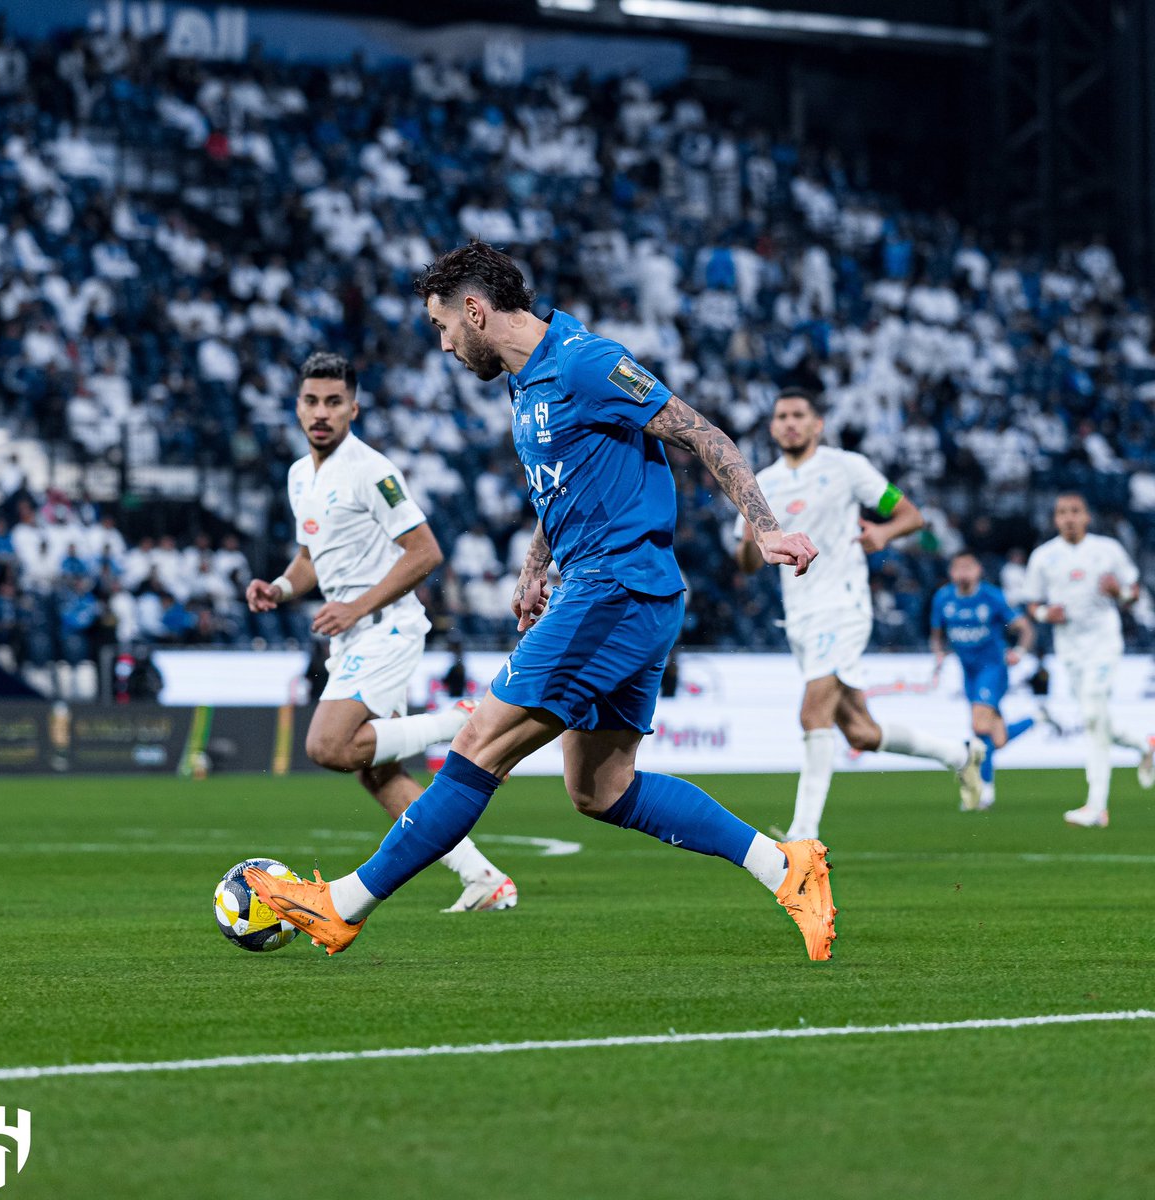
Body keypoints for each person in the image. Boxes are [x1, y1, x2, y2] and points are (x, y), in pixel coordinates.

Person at [247, 241, 836, 962]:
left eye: (442, 326)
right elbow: (561, 485)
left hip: (615, 589)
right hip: (617, 593)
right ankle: (787, 868)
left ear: (474, 311)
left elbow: (701, 433)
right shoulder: (523, 384)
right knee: (601, 788)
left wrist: (766, 528)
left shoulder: (586, 362)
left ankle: (342, 905)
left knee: (477, 745)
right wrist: (535, 567)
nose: (443, 345)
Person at [246, 351, 516, 912]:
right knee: (377, 774)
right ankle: (484, 878)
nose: (321, 412)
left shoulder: (372, 470)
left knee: (327, 745)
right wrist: (281, 587)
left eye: (334, 402)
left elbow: (426, 552)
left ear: (354, 408)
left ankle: (459, 721)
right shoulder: (299, 476)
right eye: (312, 401)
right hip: (352, 633)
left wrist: (355, 607)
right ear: (297, 407)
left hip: (386, 626)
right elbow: (310, 558)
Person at [733, 388, 985, 841]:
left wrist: (884, 534)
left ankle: (802, 836)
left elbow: (911, 516)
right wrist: (754, 541)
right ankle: (960, 755)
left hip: (843, 606)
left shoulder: (847, 467)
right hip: (799, 617)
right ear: (772, 427)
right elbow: (747, 562)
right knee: (861, 733)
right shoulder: (760, 484)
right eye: (782, 416)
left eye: (798, 414)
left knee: (813, 712)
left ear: (817, 424)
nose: (789, 423)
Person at [1022, 493, 1154, 827]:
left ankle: (1097, 807)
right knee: (1094, 717)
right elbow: (1032, 604)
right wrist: (1044, 614)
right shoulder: (1043, 556)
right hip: (1069, 649)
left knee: (1094, 713)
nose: (1069, 518)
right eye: (1062, 512)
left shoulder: (1107, 549)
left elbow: (1133, 592)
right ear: (1055, 519)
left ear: (1086, 517)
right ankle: (1145, 744)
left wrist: (1119, 593)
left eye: (1075, 511)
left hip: (1104, 643)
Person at [929, 551, 1039, 810]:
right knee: (996, 739)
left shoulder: (991, 596)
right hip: (968, 673)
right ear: (951, 572)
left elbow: (1025, 628)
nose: (963, 573)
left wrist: (1019, 652)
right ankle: (1035, 719)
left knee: (979, 726)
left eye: (968, 567)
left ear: (978, 570)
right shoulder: (943, 598)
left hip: (993, 670)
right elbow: (936, 633)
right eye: (958, 567)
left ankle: (983, 790)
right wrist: (939, 654)